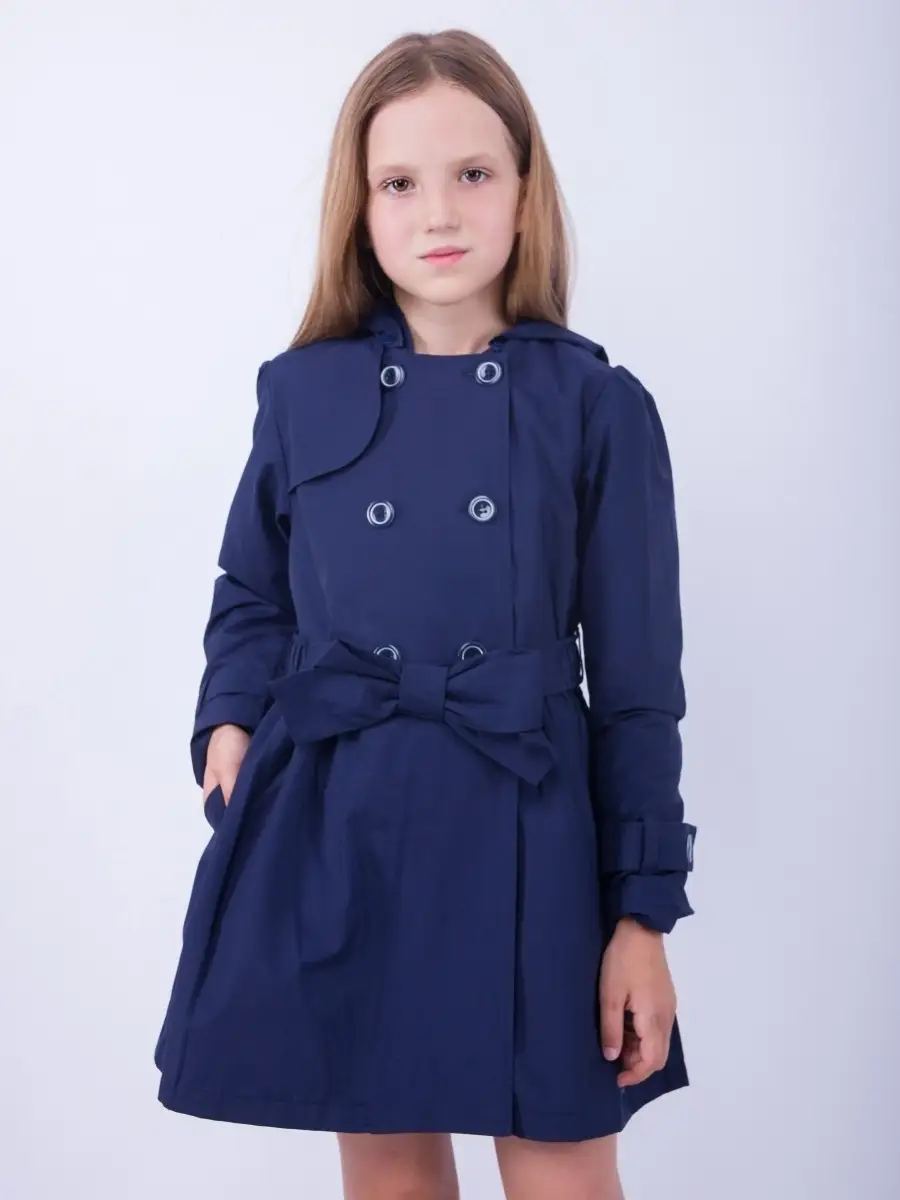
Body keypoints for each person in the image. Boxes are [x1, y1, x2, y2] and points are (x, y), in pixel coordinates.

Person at [153, 26, 697, 1200]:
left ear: (525, 191)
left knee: (564, 1178)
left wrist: (643, 915)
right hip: (343, 819)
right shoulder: (300, 391)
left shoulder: (596, 405)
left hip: (534, 835)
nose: (438, 211)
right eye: (399, 182)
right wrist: (228, 720)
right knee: (392, 1178)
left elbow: (640, 686)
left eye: (473, 173)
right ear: (359, 210)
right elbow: (252, 590)